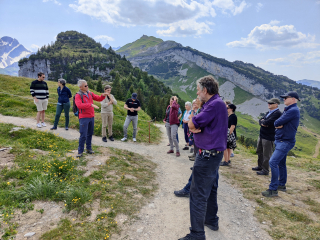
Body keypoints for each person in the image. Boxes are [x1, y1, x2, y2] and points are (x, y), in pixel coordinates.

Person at [179, 75, 228, 240]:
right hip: (214, 155)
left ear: (205, 90)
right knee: (212, 187)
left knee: (197, 193)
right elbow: (196, 127)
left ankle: (197, 234)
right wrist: (195, 126)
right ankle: (211, 220)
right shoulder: (217, 103)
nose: (197, 92)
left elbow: (192, 125)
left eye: (198, 89)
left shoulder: (212, 105)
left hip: (207, 155)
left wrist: (193, 117)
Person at [261, 91, 300, 197]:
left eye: (286, 98)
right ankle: (281, 184)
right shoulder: (289, 109)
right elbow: (278, 123)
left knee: (273, 162)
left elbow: (276, 123)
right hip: (281, 140)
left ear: (293, 99)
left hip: (285, 141)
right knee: (281, 164)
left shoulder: (293, 110)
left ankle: (273, 189)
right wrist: (279, 124)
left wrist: (279, 124)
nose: (284, 99)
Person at [75, 79, 107, 158]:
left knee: (90, 134)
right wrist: (90, 105)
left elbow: (98, 98)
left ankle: (88, 148)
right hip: (83, 117)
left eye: (87, 85)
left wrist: (103, 95)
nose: (87, 86)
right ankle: (80, 152)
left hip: (91, 117)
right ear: (80, 87)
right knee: (83, 135)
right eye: (85, 85)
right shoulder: (78, 95)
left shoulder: (90, 93)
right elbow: (79, 105)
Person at [252, 98, 281, 175]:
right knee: (259, 151)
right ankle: (260, 166)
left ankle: (265, 170)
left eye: (271, 103)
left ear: (276, 104)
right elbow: (261, 120)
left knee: (266, 154)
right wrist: (262, 122)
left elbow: (268, 122)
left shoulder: (277, 113)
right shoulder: (269, 112)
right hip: (262, 135)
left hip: (268, 137)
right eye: (268, 103)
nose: (269, 104)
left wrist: (263, 122)